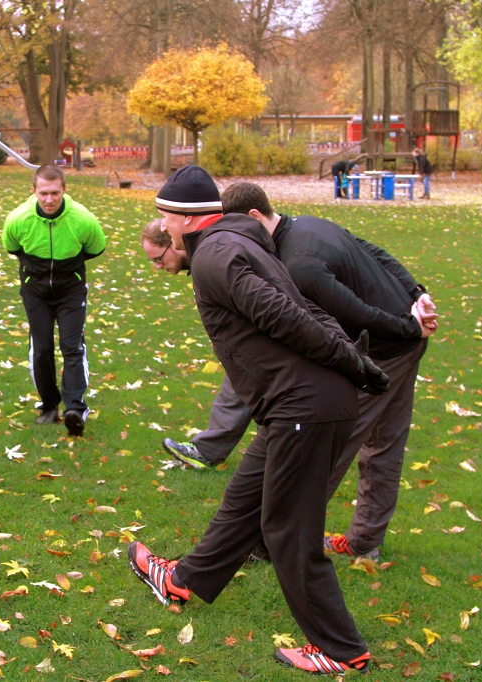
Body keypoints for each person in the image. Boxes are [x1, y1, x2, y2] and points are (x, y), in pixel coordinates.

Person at [127, 176, 391, 674]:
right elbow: (305, 305)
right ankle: (183, 578)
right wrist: (350, 360)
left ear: (185, 217)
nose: (162, 225)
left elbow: (286, 315)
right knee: (246, 497)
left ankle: (339, 648)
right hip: (299, 405)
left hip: (303, 406)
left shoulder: (214, 255)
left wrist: (352, 364)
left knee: (287, 527)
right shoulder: (236, 244)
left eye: (165, 215)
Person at [222, 181, 437, 562]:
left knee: (330, 445)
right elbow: (374, 251)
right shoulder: (308, 224)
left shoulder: (298, 262)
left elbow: (356, 312)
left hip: (386, 350)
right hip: (404, 338)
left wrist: (411, 322)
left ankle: (279, 542)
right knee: (384, 443)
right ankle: (365, 541)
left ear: (255, 217)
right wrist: (415, 294)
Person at [140, 173, 253, 470]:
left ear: (175, 243)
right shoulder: (207, 255)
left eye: (158, 258)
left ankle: (209, 450)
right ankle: (208, 449)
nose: (157, 267)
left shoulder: (214, 256)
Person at [2, 165, 106, 437]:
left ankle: (75, 408)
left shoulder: (83, 219)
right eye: (44, 193)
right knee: (42, 348)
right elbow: (12, 247)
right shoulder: (18, 219)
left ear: (64, 190)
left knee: (72, 346)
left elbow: (96, 248)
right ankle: (49, 406)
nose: (49, 199)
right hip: (35, 291)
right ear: (34, 191)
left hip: (70, 290)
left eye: (55, 193)